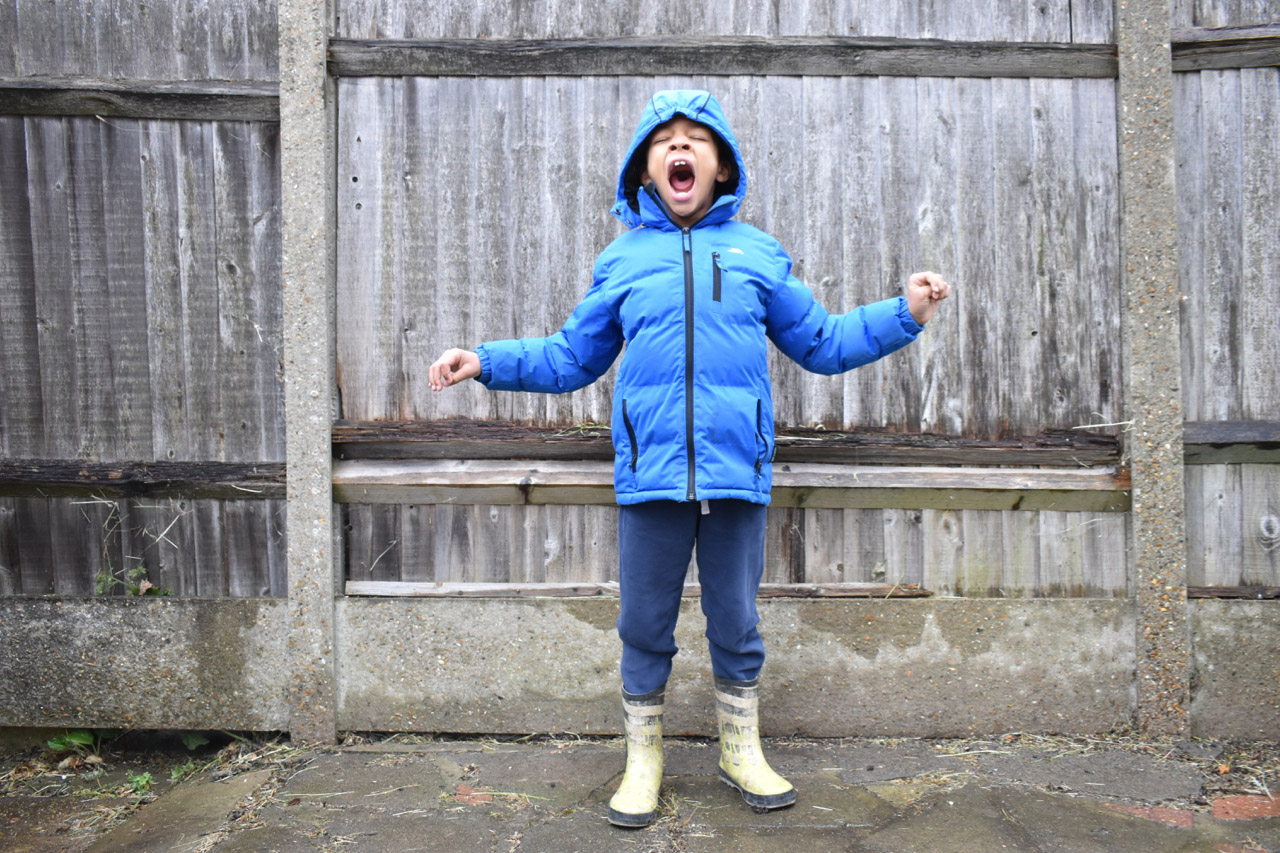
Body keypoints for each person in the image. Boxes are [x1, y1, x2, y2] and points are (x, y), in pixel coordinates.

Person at [429, 89, 950, 827]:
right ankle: (644, 757)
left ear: (720, 166)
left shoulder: (757, 254)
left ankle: (741, 747)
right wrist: (482, 360)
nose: (681, 148)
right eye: (664, 139)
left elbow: (824, 342)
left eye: (696, 139)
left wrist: (905, 313)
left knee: (736, 619)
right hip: (651, 477)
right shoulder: (622, 261)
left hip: (737, 472)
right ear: (645, 171)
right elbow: (570, 356)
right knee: (644, 621)